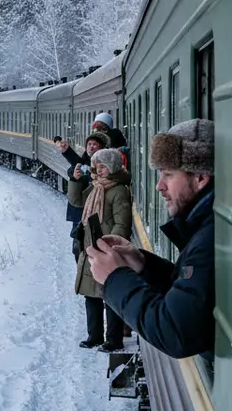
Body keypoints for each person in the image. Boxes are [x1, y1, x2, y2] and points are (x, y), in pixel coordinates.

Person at [86, 119, 215, 359]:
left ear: (200, 177)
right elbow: (193, 296)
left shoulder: (211, 239)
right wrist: (142, 263)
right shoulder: (207, 228)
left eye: (168, 174)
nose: (159, 186)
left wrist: (115, 278)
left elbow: (175, 331)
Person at [67, 147, 132, 351]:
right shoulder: (96, 188)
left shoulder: (118, 190)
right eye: (97, 166)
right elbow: (76, 201)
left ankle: (113, 340)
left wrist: (109, 247)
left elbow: (122, 223)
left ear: (112, 167)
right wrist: (76, 180)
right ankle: (93, 336)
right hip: (91, 249)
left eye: (103, 166)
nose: (99, 170)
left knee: (109, 296)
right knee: (91, 296)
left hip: (106, 250)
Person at [57, 130, 110, 258]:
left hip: (94, 211)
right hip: (80, 210)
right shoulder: (85, 160)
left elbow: (82, 168)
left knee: (89, 247)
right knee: (78, 247)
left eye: (94, 144)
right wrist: (73, 173)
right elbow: (77, 166)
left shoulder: (105, 165)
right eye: (89, 144)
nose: (91, 147)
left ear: (102, 148)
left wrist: (67, 152)